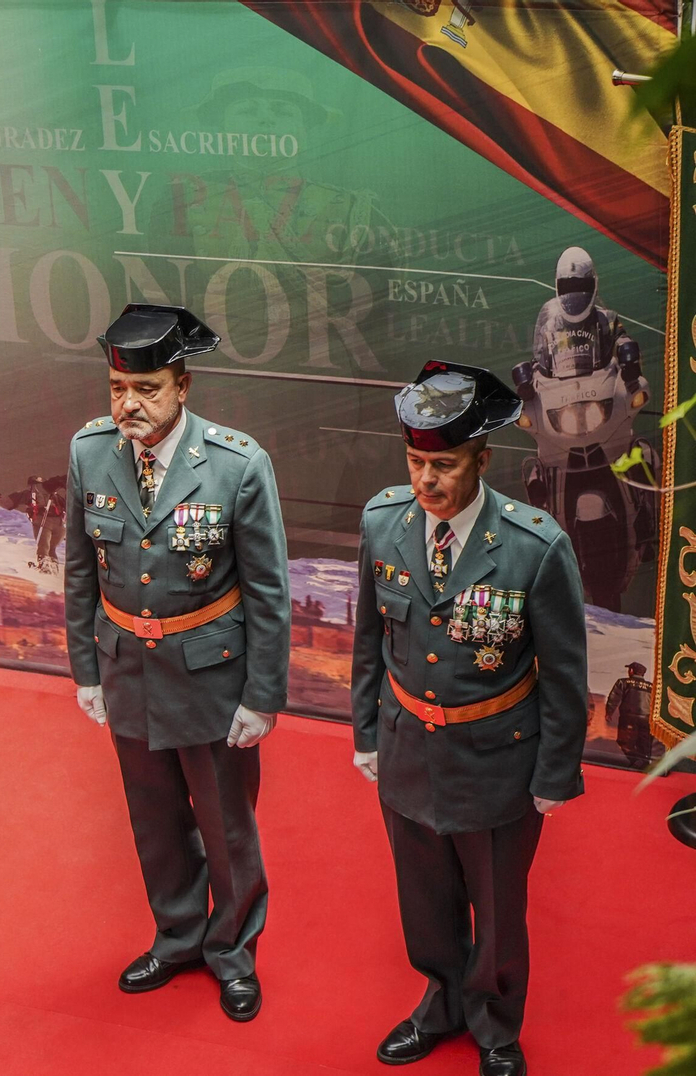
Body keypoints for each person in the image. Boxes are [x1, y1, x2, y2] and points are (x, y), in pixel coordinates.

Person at [352, 360, 588, 1076]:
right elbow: (369, 640)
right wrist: (367, 735)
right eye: (415, 462)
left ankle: (495, 1024)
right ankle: (441, 1003)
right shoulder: (384, 524)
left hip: (496, 761)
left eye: (444, 465)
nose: (426, 481)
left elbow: (565, 676)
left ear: (482, 461)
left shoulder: (533, 546)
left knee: (497, 906)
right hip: (408, 750)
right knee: (425, 901)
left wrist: (555, 774)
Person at [63, 303, 290, 1021]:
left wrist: (262, 696)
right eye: (117, 389)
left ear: (183, 386)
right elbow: (80, 571)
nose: (128, 404)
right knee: (154, 820)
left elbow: (268, 591)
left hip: (209, 677)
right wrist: (86, 670)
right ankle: (178, 935)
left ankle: (233, 951)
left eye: (147, 389)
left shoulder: (236, 465)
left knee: (226, 826)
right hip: (127, 668)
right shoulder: (90, 452)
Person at [609, 662, 660, 770]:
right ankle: (642, 763)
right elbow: (657, 704)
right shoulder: (651, 687)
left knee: (624, 741)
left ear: (631, 671)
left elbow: (614, 698)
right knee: (644, 744)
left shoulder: (623, 682)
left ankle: (636, 761)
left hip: (628, 717)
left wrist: (609, 713)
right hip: (646, 719)